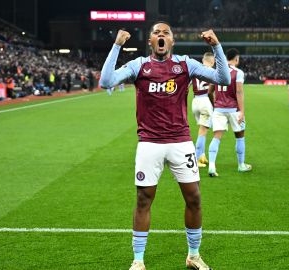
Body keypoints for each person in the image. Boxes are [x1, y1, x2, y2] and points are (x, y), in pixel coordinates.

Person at [99, 21, 230, 270]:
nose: (161, 36)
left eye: (166, 33)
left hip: (181, 142)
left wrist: (217, 47)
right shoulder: (139, 65)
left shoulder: (185, 64)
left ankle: (193, 255)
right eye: (156, 33)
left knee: (194, 198)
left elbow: (223, 77)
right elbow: (106, 81)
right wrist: (117, 45)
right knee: (143, 200)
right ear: (150, 41)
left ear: (172, 41)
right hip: (149, 143)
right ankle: (138, 260)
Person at [207, 48, 252, 177]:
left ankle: (211, 166)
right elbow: (239, 91)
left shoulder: (217, 71)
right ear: (236, 59)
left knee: (216, 137)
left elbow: (209, 91)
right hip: (234, 110)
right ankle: (241, 165)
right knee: (239, 136)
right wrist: (242, 111)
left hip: (219, 109)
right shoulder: (238, 72)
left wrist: (215, 104)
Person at [192, 52, 215, 168]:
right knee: (203, 131)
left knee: (201, 129)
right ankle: (195, 160)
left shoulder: (195, 70)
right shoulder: (211, 71)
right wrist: (214, 105)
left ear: (203, 59)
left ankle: (202, 156)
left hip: (195, 101)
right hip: (205, 101)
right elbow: (211, 92)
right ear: (213, 61)